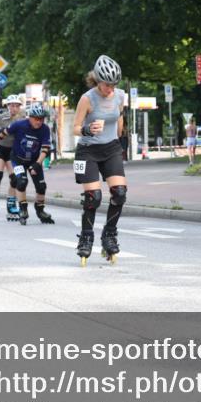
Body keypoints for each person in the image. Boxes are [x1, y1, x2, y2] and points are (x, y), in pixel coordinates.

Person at [71, 55, 127, 265]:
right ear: (97, 80)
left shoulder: (120, 96)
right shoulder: (87, 99)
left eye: (114, 85)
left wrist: (121, 138)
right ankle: (86, 238)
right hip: (88, 151)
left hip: (111, 148)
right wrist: (87, 129)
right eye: (106, 84)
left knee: (119, 193)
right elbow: (75, 128)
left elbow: (119, 117)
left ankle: (109, 235)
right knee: (93, 197)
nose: (110, 89)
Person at [0, 104, 54, 226]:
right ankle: (23, 209)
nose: (39, 122)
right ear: (30, 117)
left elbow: (45, 148)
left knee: (41, 186)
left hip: (34, 160)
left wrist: (38, 164)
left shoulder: (45, 129)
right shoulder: (19, 124)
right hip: (18, 159)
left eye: (41, 119)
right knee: (22, 181)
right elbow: (2, 134)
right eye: (36, 119)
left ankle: (40, 210)